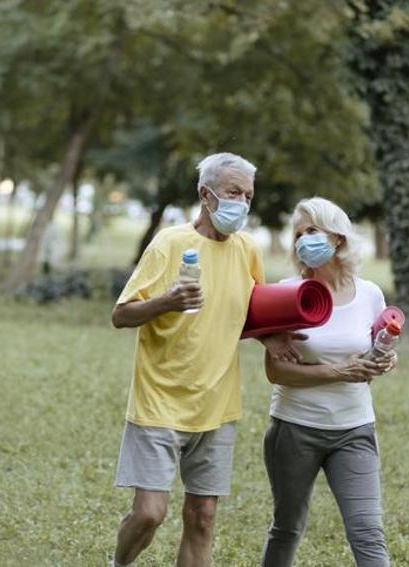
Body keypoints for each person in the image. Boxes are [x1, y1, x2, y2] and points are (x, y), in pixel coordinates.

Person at [110, 152, 298, 567]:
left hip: (216, 404)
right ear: (205, 194)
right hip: (159, 401)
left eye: (248, 196)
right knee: (150, 514)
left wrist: (269, 337)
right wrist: (166, 301)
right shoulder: (170, 244)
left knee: (203, 516)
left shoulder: (247, 249)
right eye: (233, 192)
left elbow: (249, 311)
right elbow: (121, 315)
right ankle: (118, 563)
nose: (242, 203)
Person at [260, 197, 397, 567]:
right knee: (287, 528)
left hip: (354, 430)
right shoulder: (288, 293)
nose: (304, 240)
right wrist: (337, 372)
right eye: (298, 235)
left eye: (312, 230)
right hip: (295, 429)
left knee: (368, 531)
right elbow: (276, 372)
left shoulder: (370, 294)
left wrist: (385, 360)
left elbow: (373, 352)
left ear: (337, 237)